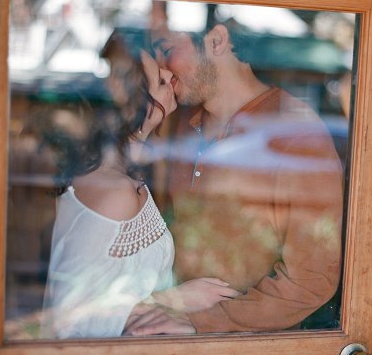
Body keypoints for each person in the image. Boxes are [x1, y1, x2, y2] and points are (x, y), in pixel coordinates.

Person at [125, 23, 344, 335]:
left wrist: (201, 322)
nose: (162, 69)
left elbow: (310, 282)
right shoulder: (178, 123)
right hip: (157, 333)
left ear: (216, 40)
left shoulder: (297, 135)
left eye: (169, 51)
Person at [41, 49, 240, 338]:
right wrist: (176, 300)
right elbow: (73, 321)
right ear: (133, 99)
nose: (170, 75)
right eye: (159, 77)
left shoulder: (123, 173)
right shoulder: (114, 193)